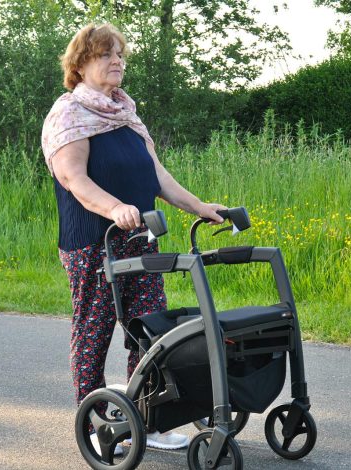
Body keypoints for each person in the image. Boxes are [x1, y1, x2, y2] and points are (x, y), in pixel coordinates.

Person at [41, 23, 225, 451]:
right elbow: (74, 178)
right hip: (94, 241)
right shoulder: (68, 114)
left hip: (139, 237)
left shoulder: (125, 113)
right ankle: (97, 425)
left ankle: (148, 420)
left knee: (148, 331)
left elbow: (156, 175)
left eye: (120, 54)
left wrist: (200, 207)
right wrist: (115, 209)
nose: (117, 61)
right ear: (81, 63)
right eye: (106, 54)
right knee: (94, 331)